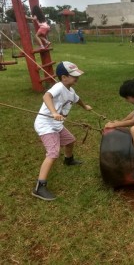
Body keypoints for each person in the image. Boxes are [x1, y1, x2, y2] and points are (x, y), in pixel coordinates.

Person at [32, 61, 92, 201]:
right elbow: (46, 96)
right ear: (64, 77)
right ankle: (39, 187)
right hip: (46, 124)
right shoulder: (58, 87)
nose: (77, 78)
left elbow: (77, 99)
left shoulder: (70, 90)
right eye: (74, 76)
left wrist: (85, 106)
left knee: (70, 140)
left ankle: (68, 160)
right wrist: (53, 112)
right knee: (53, 153)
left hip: (57, 125)